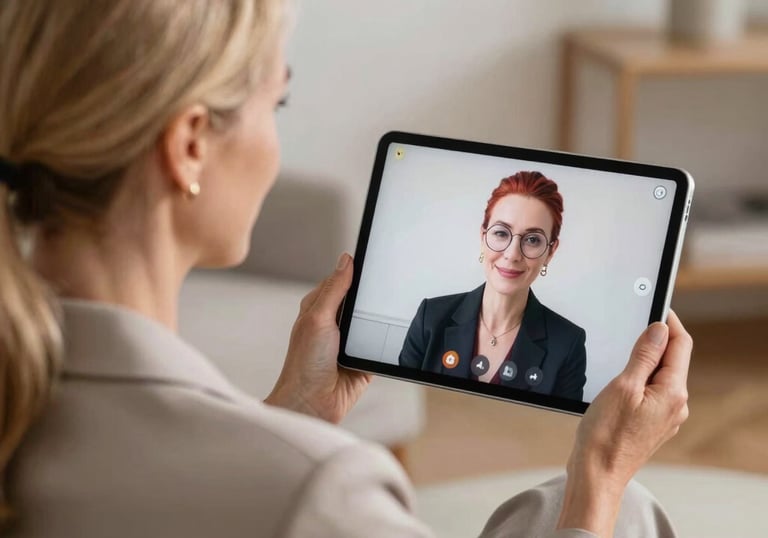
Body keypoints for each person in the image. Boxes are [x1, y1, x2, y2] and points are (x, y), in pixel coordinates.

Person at [0, 1, 691, 537]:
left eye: (531, 240)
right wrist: (599, 474)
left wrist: (293, 418)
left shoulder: (24, 400)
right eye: (278, 103)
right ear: (187, 146)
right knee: (620, 510)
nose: (513, 252)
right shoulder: (326, 488)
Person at [399, 172, 587, 400]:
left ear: (550, 252)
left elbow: (561, 430)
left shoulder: (568, 343)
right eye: (501, 233)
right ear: (483, 237)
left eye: (533, 240)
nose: (512, 254)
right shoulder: (430, 317)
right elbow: (399, 408)